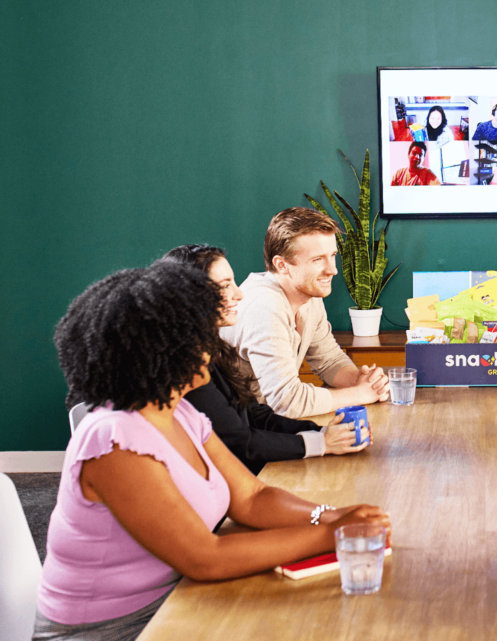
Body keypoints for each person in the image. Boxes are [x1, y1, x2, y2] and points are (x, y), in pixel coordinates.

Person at [37, 262, 390, 639]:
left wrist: (331, 516)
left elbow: (252, 498)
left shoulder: (181, 411)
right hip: (118, 627)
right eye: (200, 333)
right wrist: (334, 534)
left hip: (180, 598)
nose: (213, 343)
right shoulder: (112, 442)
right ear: (163, 348)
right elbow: (205, 558)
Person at [164, 245, 370, 475]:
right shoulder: (185, 366)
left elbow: (252, 413)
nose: (239, 294)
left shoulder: (212, 346)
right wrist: (321, 444)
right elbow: (239, 442)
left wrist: (321, 432)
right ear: (188, 296)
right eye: (224, 286)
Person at [221, 207, 390, 419]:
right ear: (282, 265)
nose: (333, 270)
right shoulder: (265, 306)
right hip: (237, 433)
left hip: (265, 424)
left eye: (333, 255)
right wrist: (358, 394)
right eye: (317, 260)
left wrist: (360, 380)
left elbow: (329, 361)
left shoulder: (308, 295)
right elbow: (286, 401)